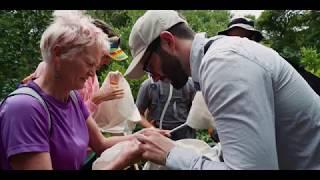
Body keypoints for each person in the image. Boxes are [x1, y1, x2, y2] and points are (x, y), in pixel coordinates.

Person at [124, 10, 320, 169]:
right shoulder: (218, 59)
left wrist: (171, 154)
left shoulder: (223, 65)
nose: (154, 78)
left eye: (149, 66)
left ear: (168, 41)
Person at [0, 10, 166, 170]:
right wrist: (122, 161)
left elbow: (101, 144)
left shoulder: (72, 97)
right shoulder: (24, 109)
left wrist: (142, 136)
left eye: (95, 64)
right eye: (89, 63)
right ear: (58, 54)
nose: (93, 72)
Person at [218, 16, 320, 96]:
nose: (238, 43)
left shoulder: (273, 62)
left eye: (243, 39)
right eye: (232, 40)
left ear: (253, 38)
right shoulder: (222, 65)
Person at [136, 75, 196, 140]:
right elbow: (137, 113)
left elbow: (197, 110)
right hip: (158, 137)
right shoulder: (149, 85)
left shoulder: (190, 84)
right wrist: (152, 128)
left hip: (185, 136)